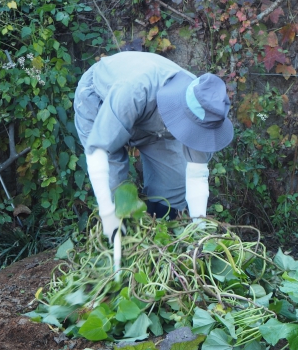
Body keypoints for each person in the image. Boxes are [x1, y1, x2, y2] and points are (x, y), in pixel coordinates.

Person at [73, 51, 233, 241]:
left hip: (152, 122)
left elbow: (197, 174)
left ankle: (156, 238)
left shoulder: (204, 108)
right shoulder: (135, 90)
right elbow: (98, 151)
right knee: (116, 192)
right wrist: (108, 212)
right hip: (100, 101)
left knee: (174, 185)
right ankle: (122, 244)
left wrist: (199, 232)